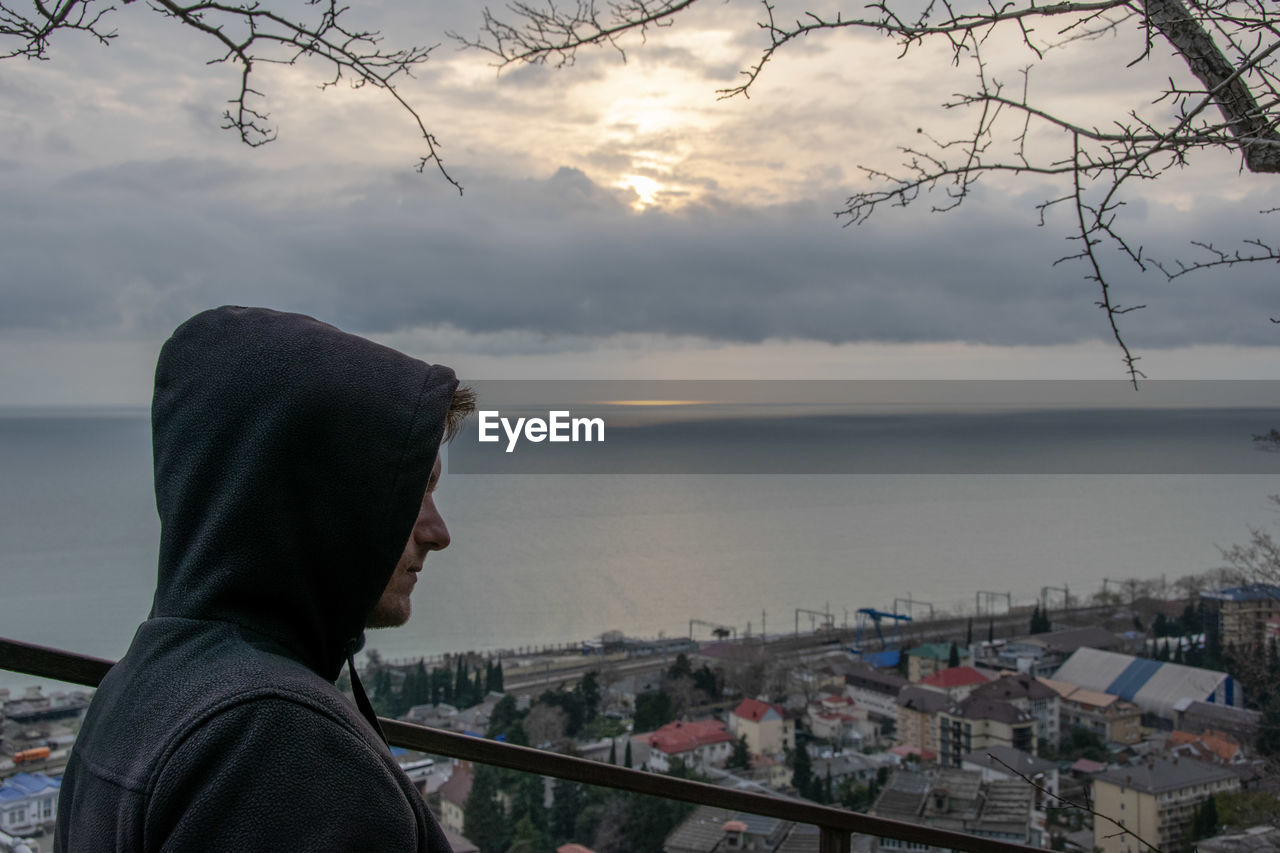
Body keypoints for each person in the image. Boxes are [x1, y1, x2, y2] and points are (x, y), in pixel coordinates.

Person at [55, 306, 473, 851]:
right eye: (412, 490)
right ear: (317, 498)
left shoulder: (145, 680)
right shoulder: (276, 738)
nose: (438, 533)